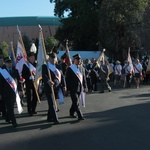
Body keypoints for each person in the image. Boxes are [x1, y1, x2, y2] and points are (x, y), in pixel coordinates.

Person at [42, 52, 67, 125]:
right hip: (49, 87)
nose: (53, 60)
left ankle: (49, 117)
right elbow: (44, 75)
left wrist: (64, 85)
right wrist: (48, 81)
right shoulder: (45, 66)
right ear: (49, 59)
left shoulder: (58, 66)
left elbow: (62, 77)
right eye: (52, 58)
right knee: (52, 103)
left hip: (56, 87)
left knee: (53, 103)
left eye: (54, 58)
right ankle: (55, 119)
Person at [0, 56, 21, 127]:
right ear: (5, 63)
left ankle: (8, 118)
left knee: (11, 106)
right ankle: (14, 122)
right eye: (7, 63)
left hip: (14, 92)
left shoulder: (15, 70)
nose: (9, 64)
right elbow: (0, 84)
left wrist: (21, 90)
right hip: (6, 92)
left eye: (10, 62)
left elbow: (18, 81)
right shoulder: (2, 72)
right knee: (10, 107)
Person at [66, 54, 88, 120]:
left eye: (79, 59)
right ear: (74, 60)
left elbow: (84, 79)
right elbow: (67, 79)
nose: (79, 61)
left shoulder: (82, 68)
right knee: (76, 101)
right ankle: (80, 115)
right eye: (77, 59)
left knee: (75, 101)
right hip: (73, 88)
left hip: (80, 88)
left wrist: (85, 87)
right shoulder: (70, 68)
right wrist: (67, 88)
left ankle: (71, 112)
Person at [22, 52, 37, 116]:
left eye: (33, 57)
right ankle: (29, 110)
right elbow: (23, 75)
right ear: (28, 58)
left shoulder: (37, 64)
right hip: (29, 84)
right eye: (31, 57)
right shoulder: (26, 65)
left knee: (35, 97)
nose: (32, 58)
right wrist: (29, 77)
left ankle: (33, 109)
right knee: (29, 97)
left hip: (36, 83)